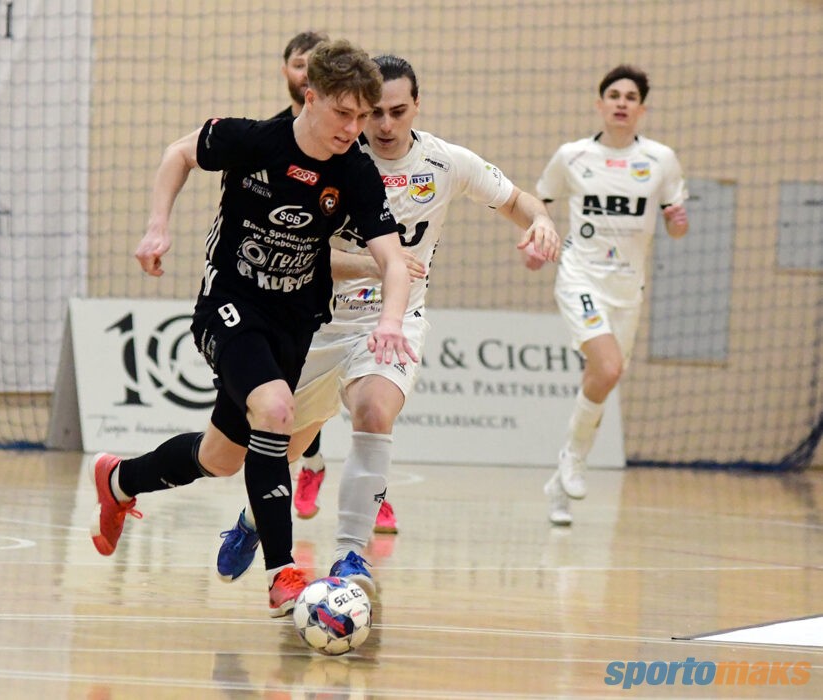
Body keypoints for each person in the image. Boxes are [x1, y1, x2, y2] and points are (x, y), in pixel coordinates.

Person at [87, 39, 417, 618]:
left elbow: (392, 259)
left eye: (362, 116)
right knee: (276, 410)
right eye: (343, 113)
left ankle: (119, 480)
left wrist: (391, 320)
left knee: (221, 458)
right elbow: (178, 153)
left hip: (296, 320)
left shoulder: (356, 171)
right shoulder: (254, 139)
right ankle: (282, 572)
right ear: (310, 97)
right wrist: (157, 226)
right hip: (230, 304)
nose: (353, 128)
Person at [217, 54, 561, 592]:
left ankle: (350, 556)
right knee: (279, 449)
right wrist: (373, 264)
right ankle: (251, 521)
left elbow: (518, 200)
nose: (383, 125)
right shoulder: (332, 159)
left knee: (375, 411)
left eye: (397, 112)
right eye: (373, 112)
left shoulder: (445, 162)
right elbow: (305, 254)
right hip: (314, 322)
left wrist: (541, 223)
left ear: (416, 106)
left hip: (390, 323)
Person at [531, 64, 689, 526]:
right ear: (600, 105)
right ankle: (574, 461)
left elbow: (677, 226)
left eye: (631, 97)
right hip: (580, 277)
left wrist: (678, 223)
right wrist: (537, 238)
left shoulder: (660, 160)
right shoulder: (573, 156)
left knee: (603, 379)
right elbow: (539, 201)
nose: (622, 103)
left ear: (642, 109)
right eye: (614, 95)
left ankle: (561, 480)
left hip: (627, 289)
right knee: (608, 366)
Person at [276, 32, 399, 533]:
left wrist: (383, 266)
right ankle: (308, 466)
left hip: (359, 304)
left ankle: (371, 497)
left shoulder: (356, 148)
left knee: (373, 401)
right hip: (296, 294)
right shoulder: (275, 141)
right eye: (297, 63)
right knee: (288, 409)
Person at [275, 31, 329, 120]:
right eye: (299, 66)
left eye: (315, 65)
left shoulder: (346, 126)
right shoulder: (272, 127)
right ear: (285, 71)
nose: (307, 74)